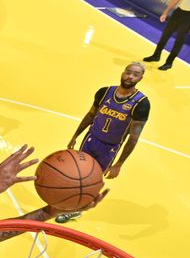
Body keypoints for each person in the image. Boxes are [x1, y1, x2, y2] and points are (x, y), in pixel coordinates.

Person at [58, 62, 149, 224]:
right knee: (78, 173)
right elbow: (91, 114)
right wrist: (75, 135)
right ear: (123, 72)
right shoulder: (105, 92)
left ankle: (77, 210)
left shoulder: (141, 103)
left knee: (93, 180)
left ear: (141, 78)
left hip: (110, 147)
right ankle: (69, 200)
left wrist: (119, 163)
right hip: (91, 139)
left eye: (135, 74)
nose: (130, 77)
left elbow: (133, 137)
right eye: (128, 72)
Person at [143, 0, 190, 70]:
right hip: (179, 12)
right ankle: (156, 55)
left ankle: (169, 62)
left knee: (179, 39)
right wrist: (166, 11)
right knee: (165, 34)